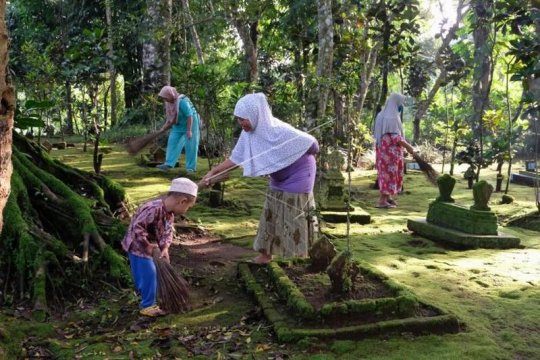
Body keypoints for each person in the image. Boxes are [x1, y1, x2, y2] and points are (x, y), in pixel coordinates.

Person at [202, 93, 319, 264]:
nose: (241, 123)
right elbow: (236, 158)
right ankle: (266, 254)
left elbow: (313, 144)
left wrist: (289, 154)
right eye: (238, 120)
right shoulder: (248, 134)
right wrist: (213, 172)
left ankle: (297, 257)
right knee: (271, 210)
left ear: (254, 114)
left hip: (300, 173)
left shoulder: (279, 129)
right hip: (278, 176)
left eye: (243, 119)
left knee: (293, 210)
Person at [121, 177, 198, 317]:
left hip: (152, 248)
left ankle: (156, 298)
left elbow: (167, 233)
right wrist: (148, 246)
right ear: (182, 201)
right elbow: (138, 229)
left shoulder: (169, 215)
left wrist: (165, 248)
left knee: (153, 273)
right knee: (148, 273)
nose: (186, 210)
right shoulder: (152, 209)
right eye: (188, 207)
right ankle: (147, 306)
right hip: (137, 246)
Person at [373, 92, 415, 209]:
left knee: (385, 174)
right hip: (390, 155)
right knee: (389, 175)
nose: (401, 106)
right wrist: (408, 147)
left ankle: (388, 198)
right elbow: (396, 137)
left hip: (383, 152)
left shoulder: (381, 115)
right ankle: (382, 201)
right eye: (400, 103)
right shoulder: (392, 117)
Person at [156, 86, 200, 172]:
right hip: (178, 125)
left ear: (170, 95)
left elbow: (189, 115)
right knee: (172, 142)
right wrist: (162, 129)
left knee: (190, 146)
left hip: (191, 124)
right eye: (163, 98)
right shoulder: (168, 103)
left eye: (165, 97)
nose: (165, 100)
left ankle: (190, 168)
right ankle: (168, 164)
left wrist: (189, 130)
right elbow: (170, 119)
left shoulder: (182, 101)